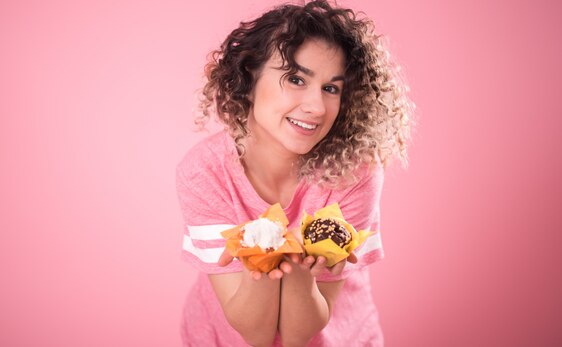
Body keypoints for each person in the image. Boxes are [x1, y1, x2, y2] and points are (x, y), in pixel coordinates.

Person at [176, 1, 412, 346]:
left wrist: (299, 268)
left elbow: (298, 336)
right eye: (296, 79)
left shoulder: (355, 171)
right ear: (248, 77)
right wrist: (264, 259)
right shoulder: (204, 172)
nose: (317, 107)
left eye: (331, 88)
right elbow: (255, 335)